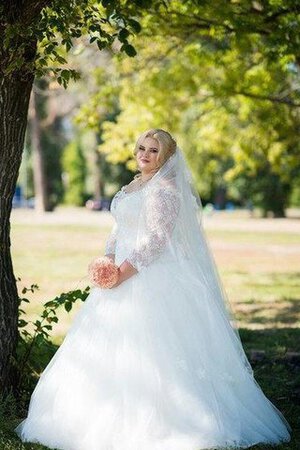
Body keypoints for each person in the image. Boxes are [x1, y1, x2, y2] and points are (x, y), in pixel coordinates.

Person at [15, 128, 291, 450]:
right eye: (142, 148)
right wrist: (107, 259)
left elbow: (157, 241)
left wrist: (122, 273)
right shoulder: (134, 186)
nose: (145, 155)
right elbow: (119, 229)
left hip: (150, 276)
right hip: (120, 269)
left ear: (167, 157)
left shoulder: (166, 191)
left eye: (154, 151)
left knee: (155, 350)